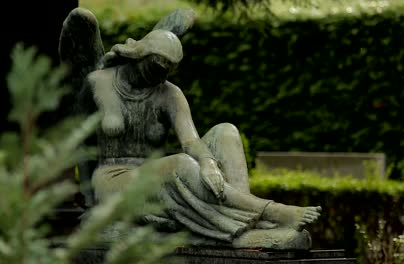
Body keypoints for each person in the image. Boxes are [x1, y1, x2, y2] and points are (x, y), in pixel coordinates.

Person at [76, 28, 321, 249]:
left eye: (167, 72)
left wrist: (208, 163)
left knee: (226, 132)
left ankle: (251, 225)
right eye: (157, 68)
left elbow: (191, 141)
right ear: (139, 54)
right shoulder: (98, 83)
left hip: (153, 172)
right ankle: (271, 211)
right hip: (113, 180)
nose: (161, 78)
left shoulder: (169, 93)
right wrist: (88, 201)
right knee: (180, 164)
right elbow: (77, 142)